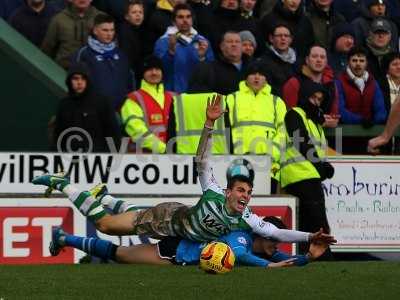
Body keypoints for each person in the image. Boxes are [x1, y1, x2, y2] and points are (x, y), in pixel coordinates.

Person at [33, 94, 336, 245]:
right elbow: (202, 160)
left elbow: (278, 232)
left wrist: (310, 238)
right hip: (166, 221)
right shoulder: (215, 191)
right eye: (240, 189)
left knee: (126, 215)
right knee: (106, 227)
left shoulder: (246, 217)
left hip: (174, 221)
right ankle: (66, 184)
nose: (245, 195)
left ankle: (106, 197)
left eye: (248, 191)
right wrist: (208, 124)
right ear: (228, 189)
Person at [49, 216, 329, 267]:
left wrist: (308, 258)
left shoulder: (263, 250)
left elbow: (282, 260)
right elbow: (240, 256)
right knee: (122, 254)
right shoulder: (241, 238)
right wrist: (268, 268)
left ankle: (64, 237)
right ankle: (65, 237)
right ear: (261, 236)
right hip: (176, 251)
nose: (276, 247)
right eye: (273, 241)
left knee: (122, 253)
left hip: (183, 256)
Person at [279, 80, 335, 256]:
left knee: (305, 224)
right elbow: (301, 141)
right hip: (302, 175)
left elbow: (316, 148)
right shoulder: (295, 114)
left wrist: (324, 164)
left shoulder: (315, 122)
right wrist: (321, 166)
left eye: (319, 99)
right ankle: (325, 257)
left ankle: (306, 257)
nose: (316, 102)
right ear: (304, 97)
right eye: (313, 98)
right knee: (319, 224)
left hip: (303, 175)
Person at [225, 63, 287, 193]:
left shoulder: (276, 101)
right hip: (237, 163)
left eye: (261, 74)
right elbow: (225, 129)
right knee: (237, 205)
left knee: (264, 207)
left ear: (266, 79)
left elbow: (283, 132)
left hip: (268, 164)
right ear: (246, 77)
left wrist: (271, 154)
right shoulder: (231, 99)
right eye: (253, 74)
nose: (257, 77)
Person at [53, 63, 121, 153]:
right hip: (70, 159)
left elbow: (113, 135)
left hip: (97, 160)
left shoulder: (101, 102)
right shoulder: (64, 104)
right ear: (69, 81)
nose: (79, 82)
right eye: (75, 78)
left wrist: (107, 160)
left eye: (83, 78)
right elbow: (58, 137)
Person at [72, 13, 134, 109]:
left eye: (112, 30)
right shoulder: (84, 54)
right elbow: (76, 83)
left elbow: (130, 80)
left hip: (122, 109)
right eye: (105, 30)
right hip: (95, 110)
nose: (109, 34)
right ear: (95, 31)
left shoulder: (120, 54)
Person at [154, 3, 214, 93]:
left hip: (197, 94)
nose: (185, 20)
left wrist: (202, 58)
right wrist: (170, 52)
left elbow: (211, 72)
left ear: (192, 20)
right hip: (173, 93)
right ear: (173, 21)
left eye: (188, 17)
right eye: (181, 17)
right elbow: (158, 71)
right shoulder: (163, 41)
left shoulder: (202, 42)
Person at [121, 55, 174, 153]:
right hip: (144, 160)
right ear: (143, 73)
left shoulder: (174, 97)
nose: (154, 72)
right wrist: (163, 149)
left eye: (157, 69)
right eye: (149, 69)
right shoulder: (133, 99)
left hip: (175, 159)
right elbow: (136, 130)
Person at [282, 44, 339, 128]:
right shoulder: (294, 83)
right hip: (300, 137)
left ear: (326, 62)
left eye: (322, 57)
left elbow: (334, 115)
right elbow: (289, 115)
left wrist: (332, 120)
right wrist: (318, 120)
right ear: (307, 60)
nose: (319, 60)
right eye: (314, 56)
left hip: (327, 138)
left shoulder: (331, 85)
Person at [41, 0, 102, 69]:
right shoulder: (58, 19)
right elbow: (46, 51)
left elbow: (112, 50)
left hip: (94, 72)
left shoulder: (102, 19)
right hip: (63, 71)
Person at [188, 31, 249, 95]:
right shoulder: (209, 69)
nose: (234, 44)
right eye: (229, 42)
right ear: (221, 46)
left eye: (237, 42)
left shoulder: (252, 66)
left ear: (242, 46)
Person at [256, 23, 297, 96]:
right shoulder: (263, 63)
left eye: (286, 36)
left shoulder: (297, 62)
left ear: (291, 39)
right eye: (279, 35)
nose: (283, 38)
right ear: (271, 38)